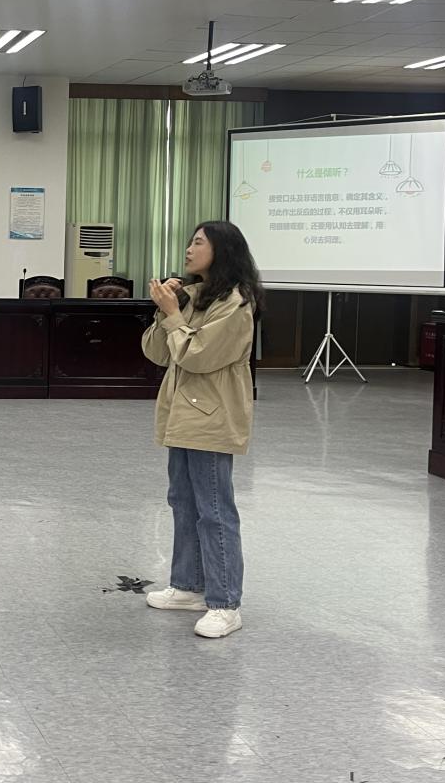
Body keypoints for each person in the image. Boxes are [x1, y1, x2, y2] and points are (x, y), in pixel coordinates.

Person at [140, 220, 261, 640]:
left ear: (222, 251)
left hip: (212, 417)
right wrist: (166, 309)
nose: (189, 250)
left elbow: (197, 355)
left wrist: (174, 316)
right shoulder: (194, 297)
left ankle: (225, 603)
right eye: (190, 242)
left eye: (198, 243)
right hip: (183, 415)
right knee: (183, 501)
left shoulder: (236, 303)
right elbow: (158, 353)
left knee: (214, 509)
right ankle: (188, 586)